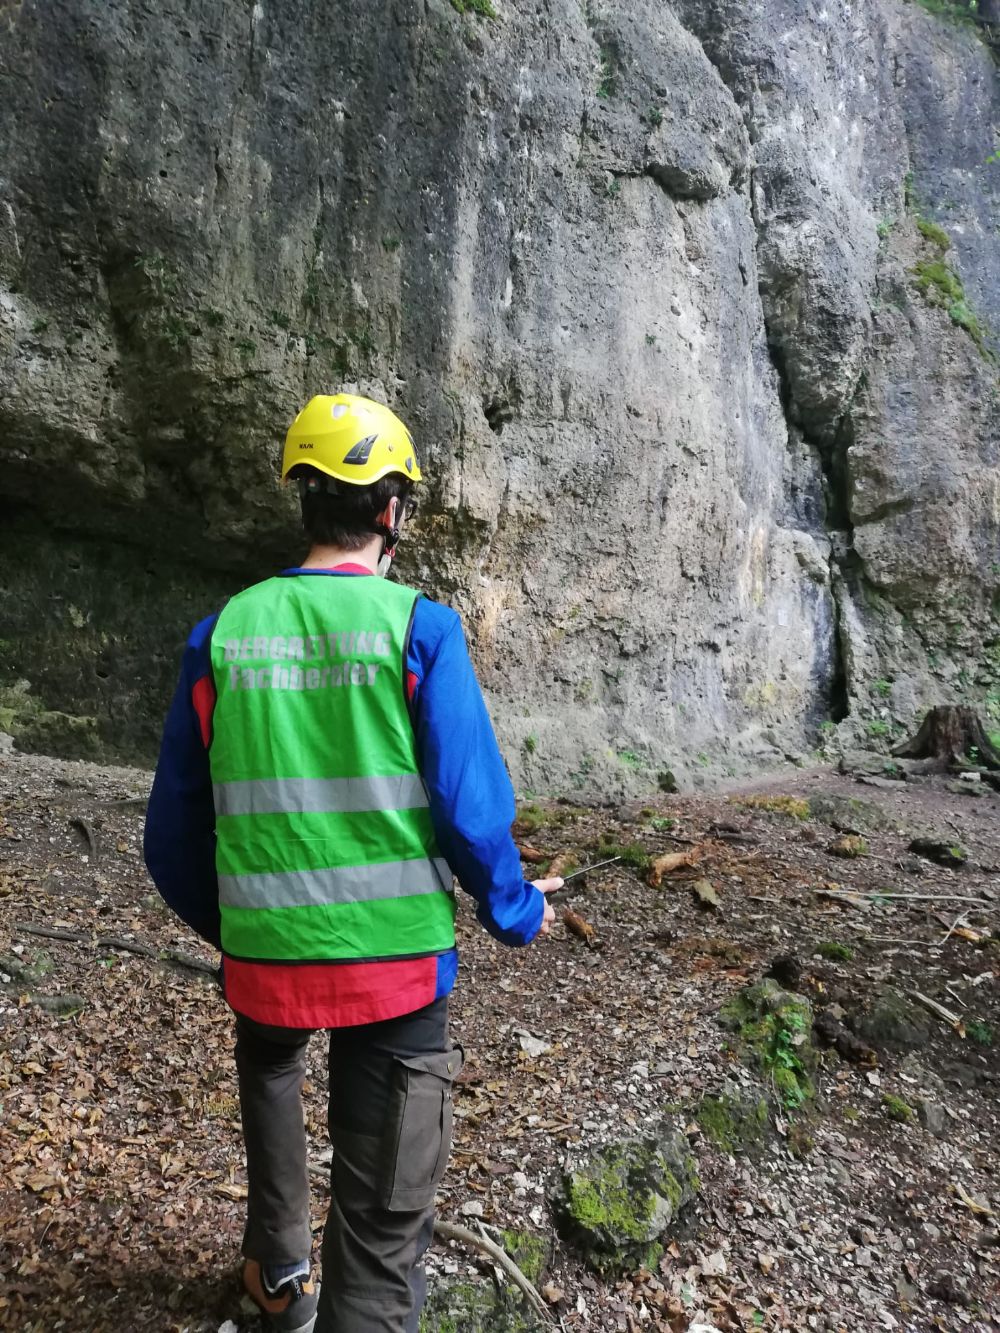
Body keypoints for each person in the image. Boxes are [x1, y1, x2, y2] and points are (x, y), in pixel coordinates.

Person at [143, 393, 561, 1333]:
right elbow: (470, 810)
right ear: (389, 511)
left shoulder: (222, 636)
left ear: (306, 501)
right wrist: (516, 907)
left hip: (265, 963)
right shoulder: (421, 629)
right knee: (379, 1239)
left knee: (273, 1064)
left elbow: (169, 838)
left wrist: (249, 925)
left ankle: (277, 1276)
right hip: (396, 970)